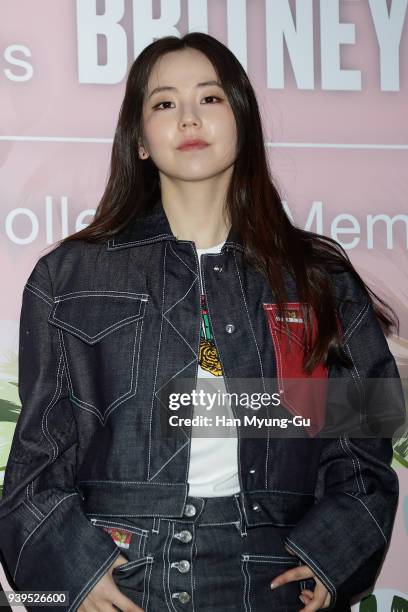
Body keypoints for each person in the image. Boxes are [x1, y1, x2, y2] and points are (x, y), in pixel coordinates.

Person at [0, 32, 405, 612]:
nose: (188, 116)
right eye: (164, 103)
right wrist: (77, 571)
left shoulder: (317, 279)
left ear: (241, 118)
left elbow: (365, 440)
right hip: (121, 570)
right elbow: (38, 456)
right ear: (140, 139)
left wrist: (329, 554)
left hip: (268, 575)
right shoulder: (69, 276)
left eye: (210, 98)